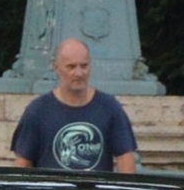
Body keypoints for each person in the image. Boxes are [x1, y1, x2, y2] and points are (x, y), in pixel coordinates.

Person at [10, 38, 138, 173]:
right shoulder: (37, 111)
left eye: (84, 66)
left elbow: (126, 160)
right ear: (56, 67)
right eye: (71, 67)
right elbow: (23, 164)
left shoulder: (110, 108)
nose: (79, 73)